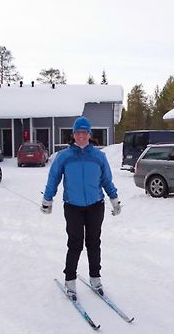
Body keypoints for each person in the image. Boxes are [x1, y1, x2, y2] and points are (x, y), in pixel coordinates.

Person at [41, 116, 121, 300]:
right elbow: (53, 178)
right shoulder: (64, 157)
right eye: (78, 132)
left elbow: (106, 180)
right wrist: (48, 199)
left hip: (95, 205)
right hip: (73, 206)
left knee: (94, 243)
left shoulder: (99, 156)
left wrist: (114, 199)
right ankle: (70, 281)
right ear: (73, 135)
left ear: (89, 134)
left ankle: (95, 278)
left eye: (85, 132)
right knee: (75, 243)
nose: (82, 136)